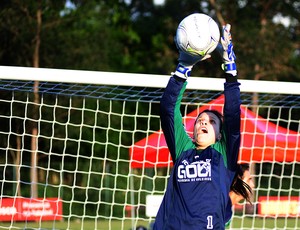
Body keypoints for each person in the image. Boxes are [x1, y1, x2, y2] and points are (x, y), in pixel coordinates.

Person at [153, 23, 241, 230]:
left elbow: (233, 114)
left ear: (220, 135)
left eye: (211, 121)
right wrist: (183, 68)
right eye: (200, 119)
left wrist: (230, 70)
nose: (203, 121)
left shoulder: (223, 154)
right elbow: (168, 109)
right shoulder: (183, 150)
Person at [225, 163, 255, 227]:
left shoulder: (227, 208)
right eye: (249, 180)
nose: (252, 185)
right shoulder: (218, 207)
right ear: (236, 182)